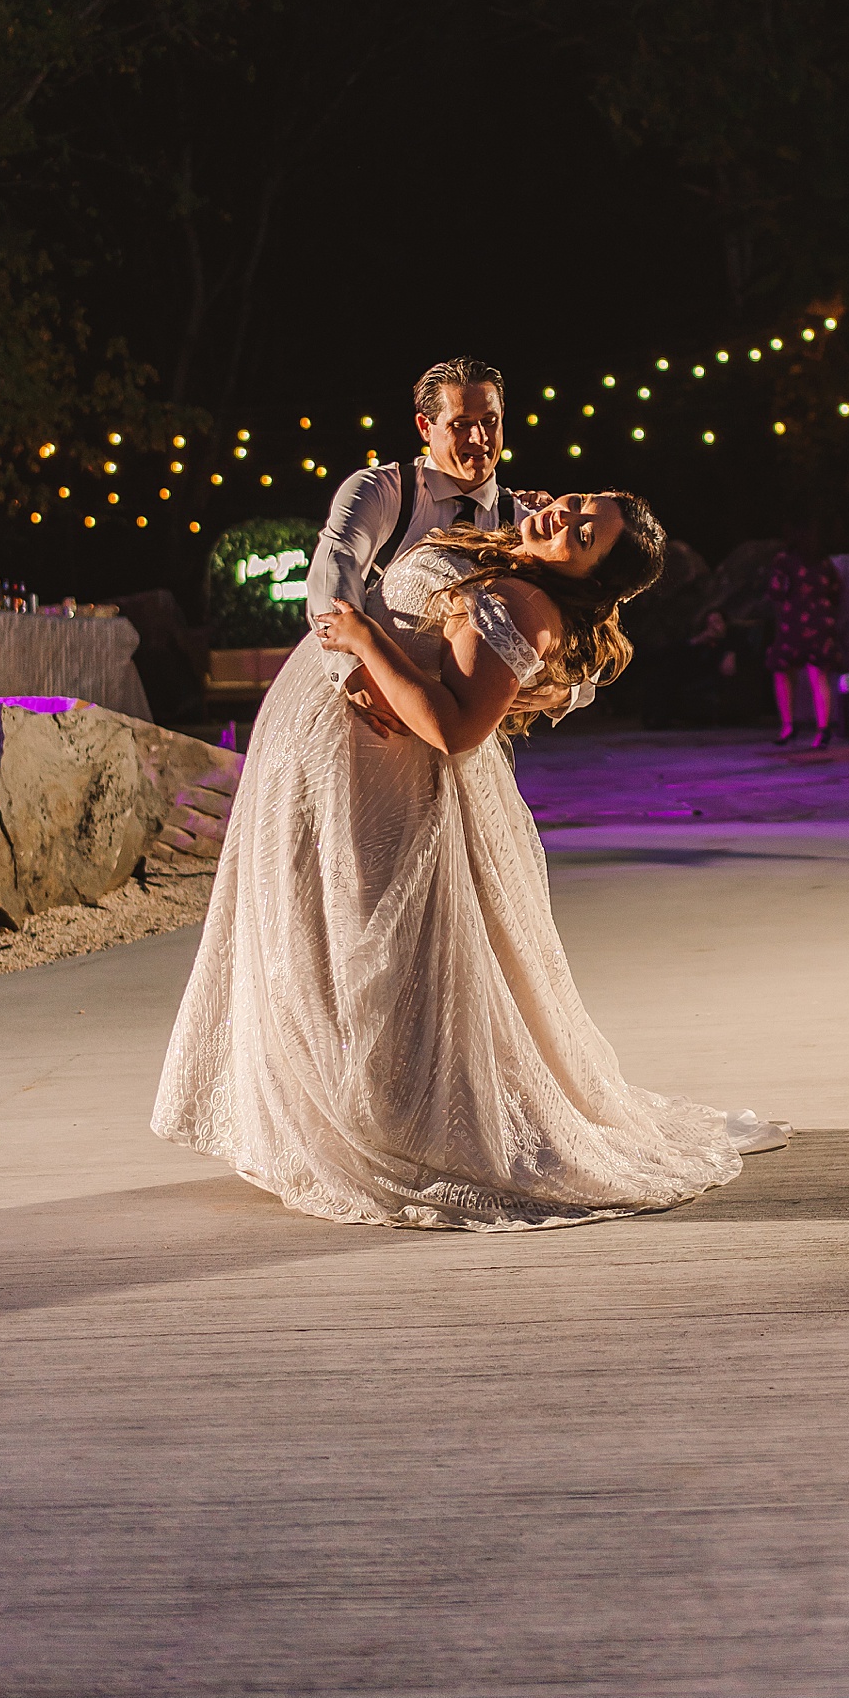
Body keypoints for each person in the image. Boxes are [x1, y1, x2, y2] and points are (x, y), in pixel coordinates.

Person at [152, 491, 790, 1231]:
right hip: (324, 772)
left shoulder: (525, 606)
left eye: (584, 534)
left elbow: (452, 728)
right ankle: (335, 1103)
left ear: (586, 575)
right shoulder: (503, 549)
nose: (566, 516)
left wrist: (363, 638)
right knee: (315, 938)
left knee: (381, 955)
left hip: (382, 782)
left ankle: (395, 1121)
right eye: (581, 504)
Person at [306, 357, 588, 734]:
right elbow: (334, 575)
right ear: (426, 426)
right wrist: (355, 674)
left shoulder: (526, 519)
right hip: (366, 712)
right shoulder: (381, 491)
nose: (479, 439)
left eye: (490, 422)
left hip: (458, 721)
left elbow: (585, 610)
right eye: (461, 425)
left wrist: (567, 688)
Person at [766, 531, 842, 750]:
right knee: (818, 675)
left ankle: (788, 725)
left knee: (782, 670)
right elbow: (837, 591)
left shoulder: (784, 560)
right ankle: (823, 728)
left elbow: (776, 590)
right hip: (821, 621)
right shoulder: (825, 563)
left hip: (794, 620)